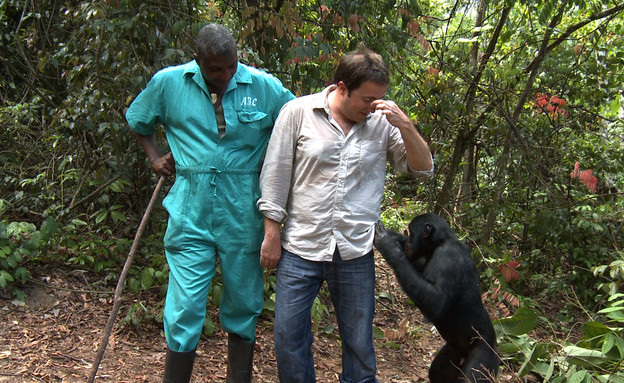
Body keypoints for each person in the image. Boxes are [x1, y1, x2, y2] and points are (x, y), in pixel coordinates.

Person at [125, 23, 295, 383]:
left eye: (231, 66)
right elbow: (138, 118)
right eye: (215, 68)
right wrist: (155, 155)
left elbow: (297, 123)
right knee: (184, 306)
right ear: (198, 60)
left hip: (244, 209)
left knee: (244, 303)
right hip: (190, 207)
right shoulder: (169, 83)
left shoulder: (264, 87)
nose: (225, 75)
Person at [257, 48, 434, 383]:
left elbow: (423, 170)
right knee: (288, 339)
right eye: (367, 99)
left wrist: (406, 125)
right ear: (341, 87)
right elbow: (276, 173)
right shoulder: (298, 112)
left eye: (380, 99)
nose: (374, 107)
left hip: (355, 250)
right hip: (301, 246)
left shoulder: (383, 122)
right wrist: (271, 231)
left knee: (359, 345)